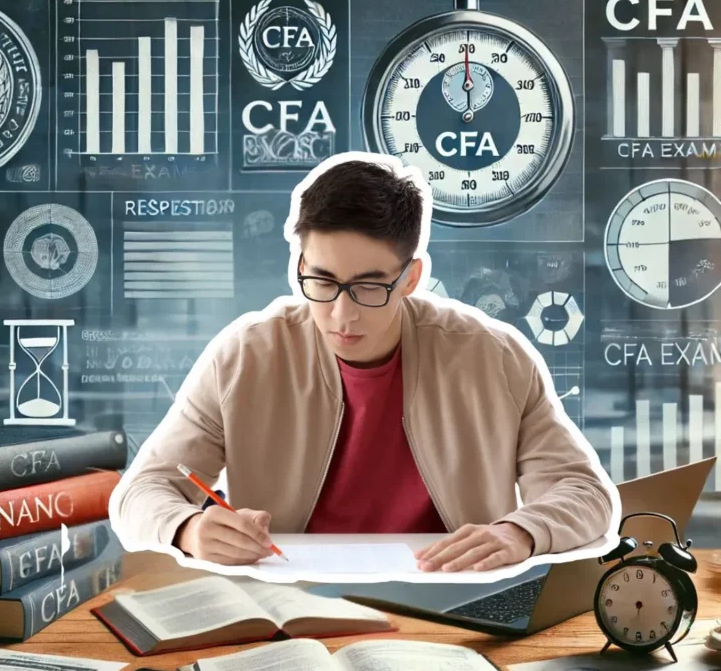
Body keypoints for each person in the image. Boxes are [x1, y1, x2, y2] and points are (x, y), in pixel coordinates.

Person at [110, 155, 618, 574]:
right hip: (288, 601)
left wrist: (519, 532)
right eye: (323, 282)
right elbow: (142, 490)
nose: (342, 314)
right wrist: (188, 528)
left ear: (412, 278)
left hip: (455, 597)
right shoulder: (244, 356)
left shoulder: (496, 357)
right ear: (300, 266)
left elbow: (586, 495)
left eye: (371, 286)